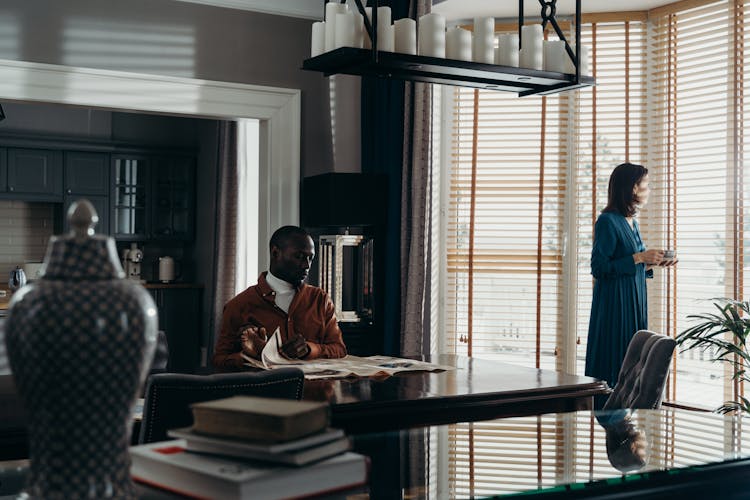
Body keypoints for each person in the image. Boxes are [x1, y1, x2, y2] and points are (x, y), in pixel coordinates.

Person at [585, 163, 676, 400]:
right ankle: (606, 416)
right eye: (644, 184)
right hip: (615, 305)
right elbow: (599, 267)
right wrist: (639, 257)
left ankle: (627, 417)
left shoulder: (631, 222)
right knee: (614, 360)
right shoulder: (607, 221)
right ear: (632, 188)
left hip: (634, 300)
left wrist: (652, 262)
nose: (648, 189)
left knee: (633, 359)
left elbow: (632, 263)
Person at [212, 225, 347, 372]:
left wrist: (309, 349)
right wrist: (248, 356)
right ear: (275, 253)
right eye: (299, 256)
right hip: (263, 393)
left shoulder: (320, 299)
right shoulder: (238, 305)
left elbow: (339, 349)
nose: (307, 265)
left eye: (310, 258)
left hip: (316, 391)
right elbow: (219, 361)